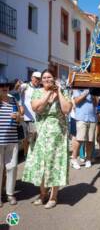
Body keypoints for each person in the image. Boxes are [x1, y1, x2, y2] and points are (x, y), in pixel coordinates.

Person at [22, 69, 72, 209]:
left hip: (57, 135)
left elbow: (67, 110)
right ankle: (43, 193)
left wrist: (59, 92)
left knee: (54, 163)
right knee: (40, 164)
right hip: (41, 133)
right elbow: (36, 108)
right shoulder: (37, 92)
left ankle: (54, 196)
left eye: (49, 77)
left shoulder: (63, 92)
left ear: (54, 78)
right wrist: (49, 93)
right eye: (44, 78)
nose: (46, 80)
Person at [0, 78, 21, 207]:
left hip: (12, 139)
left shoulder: (13, 99)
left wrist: (18, 117)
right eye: (1, 85)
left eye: (6, 85)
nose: (4, 87)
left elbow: (20, 116)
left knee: (12, 167)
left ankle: (10, 194)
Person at [70, 89, 97, 169]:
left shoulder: (92, 90)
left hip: (92, 118)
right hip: (81, 117)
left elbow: (96, 103)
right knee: (79, 139)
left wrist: (93, 95)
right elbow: (76, 101)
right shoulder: (77, 90)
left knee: (90, 140)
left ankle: (88, 159)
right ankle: (74, 159)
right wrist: (86, 92)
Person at [20, 71, 41, 156]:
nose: (37, 80)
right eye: (36, 78)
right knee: (26, 138)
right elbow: (17, 89)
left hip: (36, 117)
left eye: (39, 79)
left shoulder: (40, 88)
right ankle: (26, 155)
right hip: (26, 117)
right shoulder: (25, 86)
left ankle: (31, 154)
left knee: (33, 137)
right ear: (32, 78)